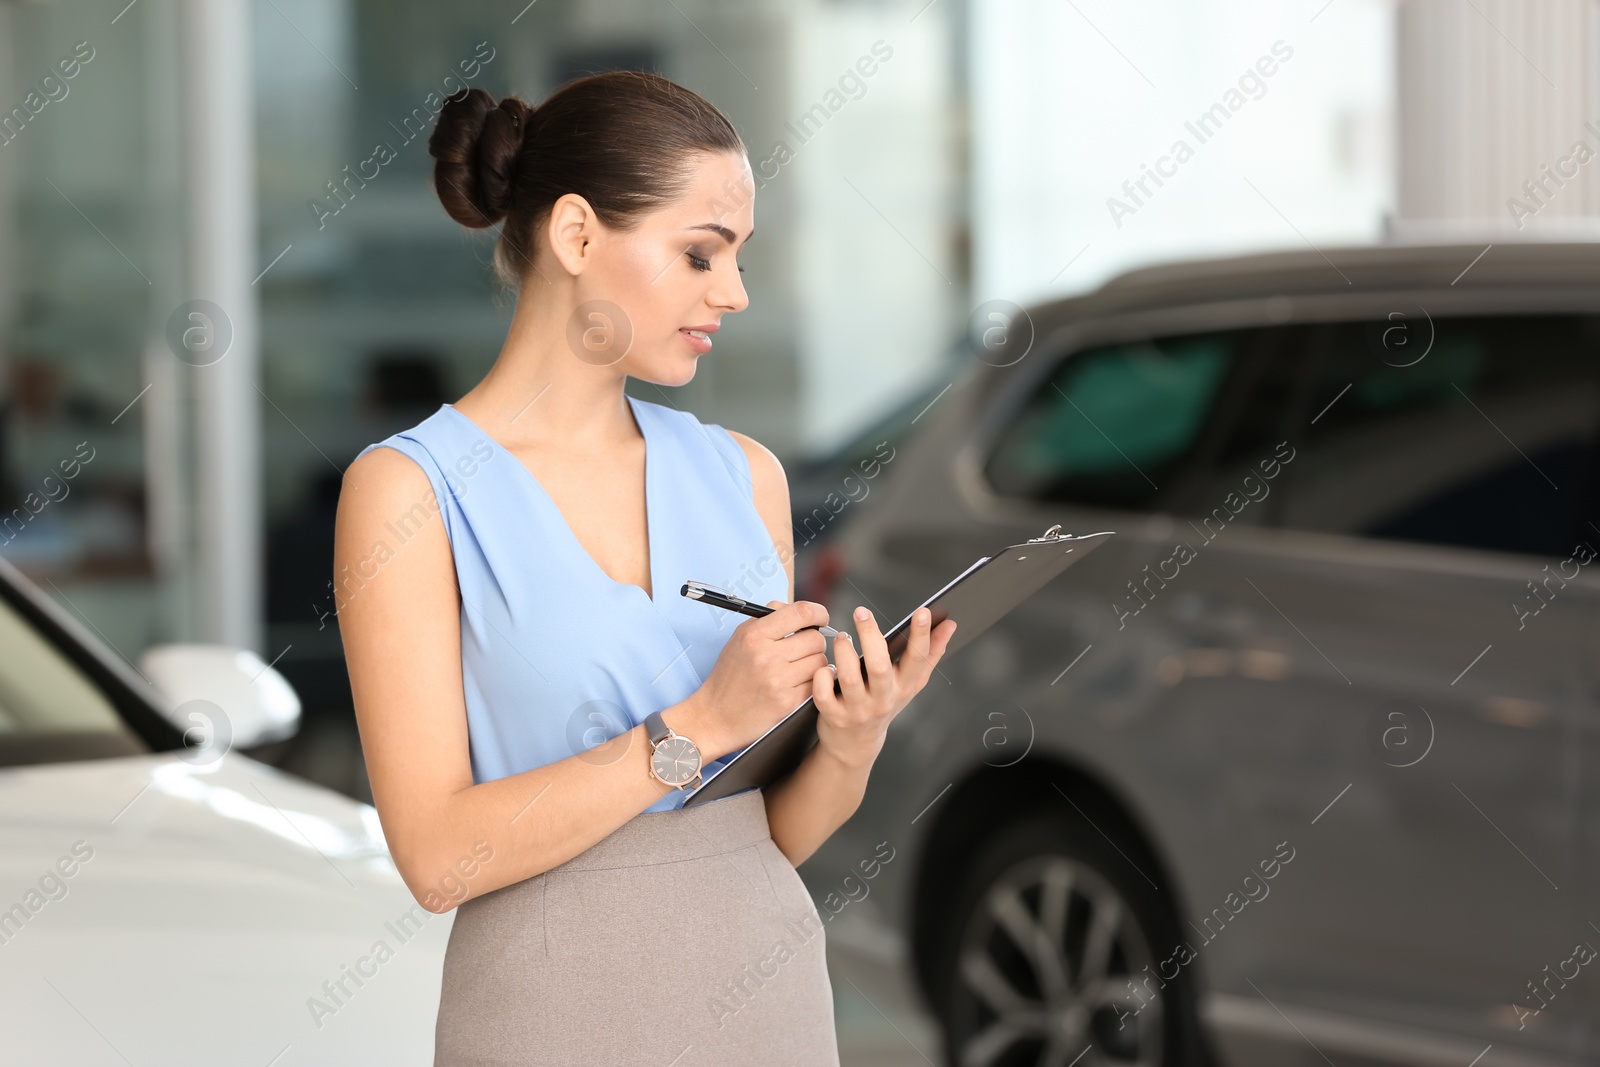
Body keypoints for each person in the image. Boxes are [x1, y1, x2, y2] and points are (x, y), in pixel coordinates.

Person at [334, 72, 957, 1065]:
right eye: (700, 252)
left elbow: (769, 833)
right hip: (546, 1010)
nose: (735, 293)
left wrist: (848, 738)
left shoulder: (741, 473)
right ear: (576, 237)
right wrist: (698, 723)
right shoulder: (409, 493)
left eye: (739, 258)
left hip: (771, 997)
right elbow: (439, 856)